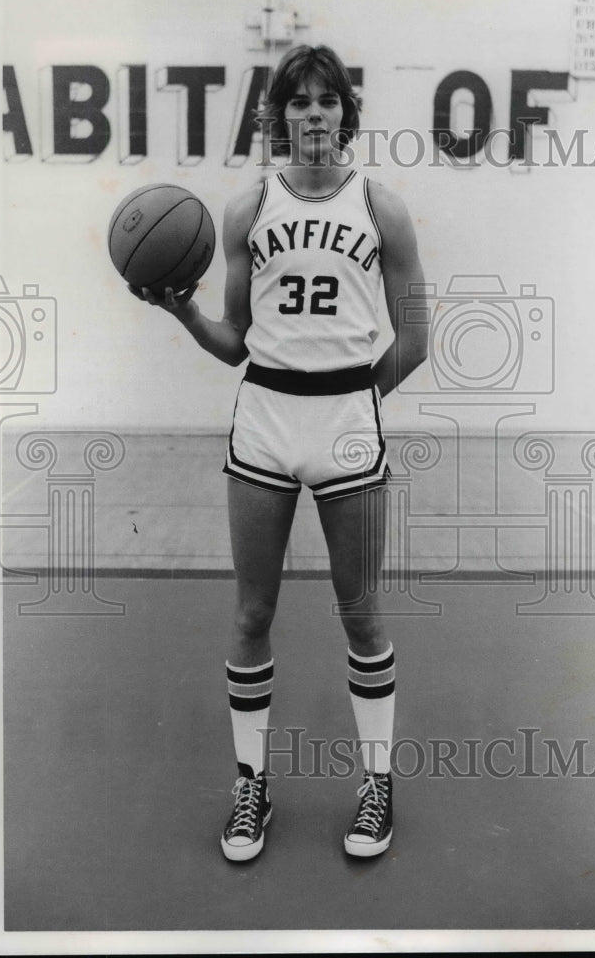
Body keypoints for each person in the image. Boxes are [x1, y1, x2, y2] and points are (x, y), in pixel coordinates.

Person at [131, 44, 428, 861]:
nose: (312, 116)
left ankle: (375, 786)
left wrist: (355, 407)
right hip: (262, 420)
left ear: (346, 114)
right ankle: (250, 788)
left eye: (325, 102)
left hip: (343, 424)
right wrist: (184, 315)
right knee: (252, 612)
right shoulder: (244, 211)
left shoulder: (383, 209)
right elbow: (235, 342)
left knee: (360, 612)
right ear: (276, 119)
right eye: (296, 103)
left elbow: (417, 340)